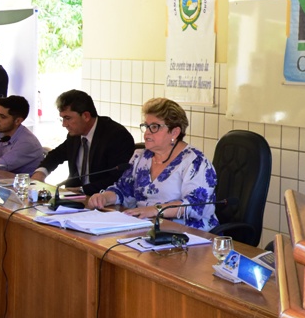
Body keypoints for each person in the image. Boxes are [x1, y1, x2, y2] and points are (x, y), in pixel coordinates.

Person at [87, 97, 219, 231]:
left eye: (154, 127)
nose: (147, 133)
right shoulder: (141, 156)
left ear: (175, 132)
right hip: (146, 229)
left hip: (189, 236)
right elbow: (123, 190)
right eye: (146, 126)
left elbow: (196, 205)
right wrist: (104, 197)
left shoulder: (195, 162)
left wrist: (154, 210)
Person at [31, 90, 135, 195]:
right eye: (62, 118)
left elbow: (117, 178)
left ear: (86, 116)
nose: (64, 124)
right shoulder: (75, 134)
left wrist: (82, 190)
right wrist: (41, 172)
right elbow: (57, 155)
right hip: (75, 197)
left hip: (103, 198)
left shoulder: (116, 136)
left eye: (68, 118)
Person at [0, 95, 44, 174]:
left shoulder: (27, 143)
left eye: (2, 117)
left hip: (23, 185)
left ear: (18, 121)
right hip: (1, 181)